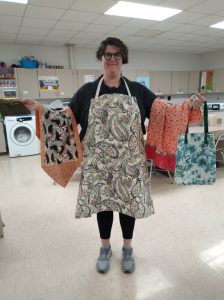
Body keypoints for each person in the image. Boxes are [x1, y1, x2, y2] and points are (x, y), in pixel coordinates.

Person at [22, 37, 205, 274]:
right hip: (99, 165)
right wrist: (39, 109)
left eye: (117, 55)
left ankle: (128, 249)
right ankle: (105, 248)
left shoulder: (138, 90)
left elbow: (165, 113)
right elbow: (64, 120)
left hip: (131, 164)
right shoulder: (87, 92)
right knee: (104, 208)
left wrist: (188, 105)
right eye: (107, 55)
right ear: (101, 58)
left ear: (123, 60)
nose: (112, 60)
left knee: (128, 208)